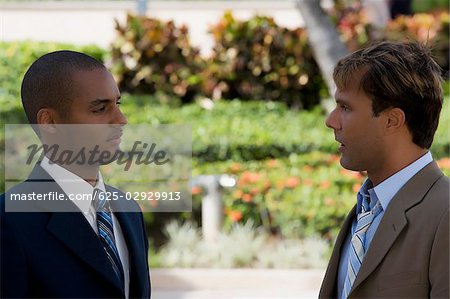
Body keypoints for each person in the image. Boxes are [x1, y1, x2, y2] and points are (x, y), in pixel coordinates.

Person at [1, 50, 151, 298]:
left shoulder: (129, 210)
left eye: (118, 104)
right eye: (100, 108)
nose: (121, 120)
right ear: (49, 122)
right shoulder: (8, 221)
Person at [320, 41, 449, 298]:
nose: (331, 121)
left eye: (345, 107)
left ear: (392, 120)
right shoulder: (365, 208)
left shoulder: (445, 214)